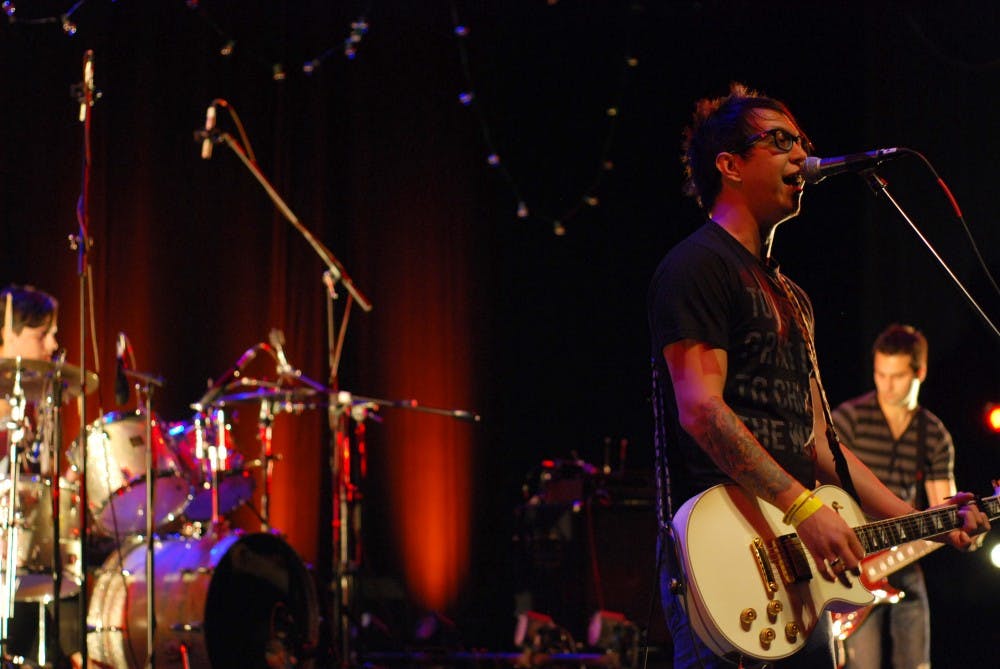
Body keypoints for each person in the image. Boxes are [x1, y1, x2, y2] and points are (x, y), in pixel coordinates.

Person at [646, 83, 988, 669]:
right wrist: (806, 510)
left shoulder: (793, 298)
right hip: (721, 554)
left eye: (802, 141)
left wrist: (922, 523)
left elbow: (817, 442)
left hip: (795, 566)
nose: (801, 155)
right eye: (779, 141)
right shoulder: (697, 265)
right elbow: (701, 409)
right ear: (728, 165)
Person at [833, 324, 979, 669]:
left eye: (897, 375)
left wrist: (966, 532)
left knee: (916, 662)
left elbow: (944, 506)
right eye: (880, 374)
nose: (886, 384)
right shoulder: (849, 419)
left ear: (920, 372)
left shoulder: (934, 434)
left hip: (906, 563)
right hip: (855, 560)